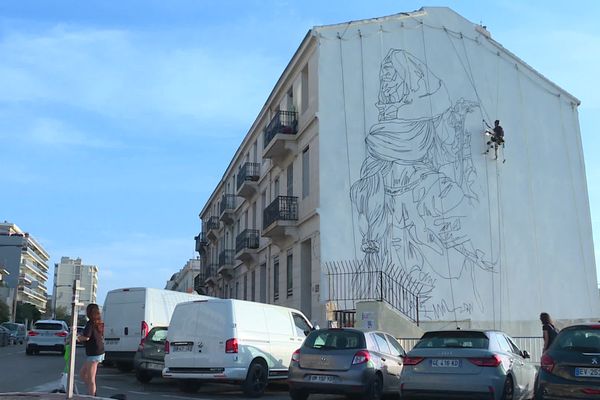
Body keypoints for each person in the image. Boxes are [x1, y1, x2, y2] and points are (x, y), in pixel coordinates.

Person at [78, 303, 105, 396]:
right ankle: (91, 392)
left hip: (94, 353)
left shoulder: (90, 323)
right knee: (82, 374)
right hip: (97, 351)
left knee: (91, 378)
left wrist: (77, 338)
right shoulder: (98, 322)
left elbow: (86, 337)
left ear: (89, 312)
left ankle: (92, 395)